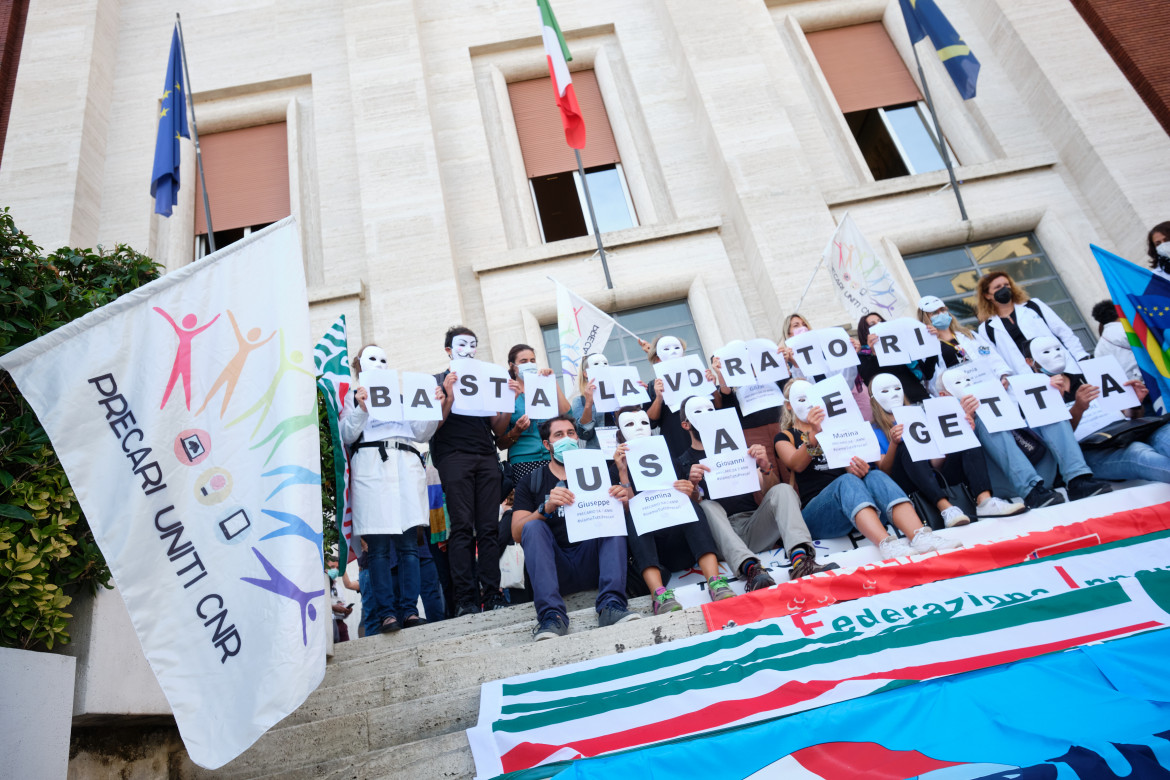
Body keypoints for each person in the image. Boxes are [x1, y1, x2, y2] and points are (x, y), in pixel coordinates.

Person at [774, 379, 959, 559]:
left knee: (874, 475)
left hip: (852, 505)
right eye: (801, 399)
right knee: (846, 482)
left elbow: (850, 467)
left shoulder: (835, 429)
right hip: (817, 513)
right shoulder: (784, 437)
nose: (809, 403)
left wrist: (858, 468)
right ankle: (887, 544)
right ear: (789, 406)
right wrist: (815, 433)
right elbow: (796, 463)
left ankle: (920, 536)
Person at [675, 395, 838, 584]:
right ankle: (751, 570)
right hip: (719, 537)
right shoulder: (682, 463)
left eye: (710, 410)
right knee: (708, 506)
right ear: (686, 425)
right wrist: (692, 486)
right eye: (698, 412)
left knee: (783, 490)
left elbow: (770, 490)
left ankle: (801, 561)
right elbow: (691, 518)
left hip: (753, 525)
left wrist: (765, 466)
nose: (706, 416)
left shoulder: (739, 449)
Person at [341, 344, 443, 632]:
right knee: (379, 548)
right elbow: (347, 435)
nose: (379, 364)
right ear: (359, 365)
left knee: (409, 544)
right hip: (371, 468)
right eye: (371, 359)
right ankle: (387, 613)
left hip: (406, 466)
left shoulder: (403, 397)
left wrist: (433, 408)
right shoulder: (350, 397)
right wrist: (361, 409)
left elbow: (422, 433)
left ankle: (409, 610)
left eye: (383, 359)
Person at [510, 414, 640, 640]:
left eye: (571, 433)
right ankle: (552, 616)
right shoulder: (531, 481)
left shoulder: (598, 469)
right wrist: (545, 508)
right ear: (546, 444)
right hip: (556, 568)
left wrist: (623, 494)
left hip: (595, 560)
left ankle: (611, 605)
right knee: (533, 527)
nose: (567, 438)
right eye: (558, 435)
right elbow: (517, 532)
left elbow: (628, 512)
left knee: (613, 515)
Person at [612, 405, 735, 615]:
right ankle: (659, 594)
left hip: (683, 542)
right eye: (630, 424)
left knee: (691, 506)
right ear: (620, 434)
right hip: (654, 554)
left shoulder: (672, 460)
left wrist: (691, 489)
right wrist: (622, 473)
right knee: (634, 515)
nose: (639, 428)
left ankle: (716, 582)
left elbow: (695, 498)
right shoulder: (612, 469)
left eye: (643, 422)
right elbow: (624, 512)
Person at [868, 373, 1025, 527]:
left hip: (933, 476)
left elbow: (934, 462)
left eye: (896, 388)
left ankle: (984, 501)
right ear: (874, 398)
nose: (893, 394)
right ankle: (946, 509)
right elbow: (884, 470)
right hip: (905, 484)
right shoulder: (873, 431)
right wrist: (895, 444)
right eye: (885, 391)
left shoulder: (921, 417)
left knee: (964, 436)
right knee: (906, 447)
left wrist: (960, 432)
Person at [431, 326, 511, 616]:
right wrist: (449, 397)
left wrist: (508, 404)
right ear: (449, 350)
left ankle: (492, 593)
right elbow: (429, 426)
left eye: (472, 344)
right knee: (462, 527)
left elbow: (498, 427)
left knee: (489, 528)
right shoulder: (436, 381)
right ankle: (465, 599)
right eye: (461, 345)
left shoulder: (486, 379)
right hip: (454, 458)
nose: (468, 349)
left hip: (486, 457)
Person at [1028, 336, 1170, 484]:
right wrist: (1078, 408)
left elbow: (1130, 416)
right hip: (1092, 450)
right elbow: (1056, 442)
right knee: (1139, 454)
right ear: (1030, 362)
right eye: (1046, 352)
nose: (1056, 354)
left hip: (1129, 432)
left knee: (1166, 436)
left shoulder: (1090, 375)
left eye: (1058, 349)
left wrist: (1135, 402)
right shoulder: (1033, 395)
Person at [976, 271, 1088, 378]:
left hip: (1062, 368)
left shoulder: (1033, 306)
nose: (1004, 289)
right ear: (987, 295)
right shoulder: (986, 328)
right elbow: (993, 357)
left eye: (1006, 284)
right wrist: (1003, 375)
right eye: (998, 287)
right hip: (1029, 377)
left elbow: (1063, 331)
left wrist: (1080, 356)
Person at [500, 344, 572, 482]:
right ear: (512, 366)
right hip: (524, 459)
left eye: (532, 361)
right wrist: (516, 430)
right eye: (524, 361)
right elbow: (500, 441)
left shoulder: (545, 387)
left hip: (554, 457)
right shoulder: (507, 393)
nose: (530, 364)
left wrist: (553, 381)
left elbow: (568, 414)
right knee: (530, 501)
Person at [644, 334, 721, 457]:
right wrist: (658, 398)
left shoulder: (700, 374)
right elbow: (650, 422)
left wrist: (713, 388)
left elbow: (719, 407)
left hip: (710, 439)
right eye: (667, 349)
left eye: (676, 348)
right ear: (658, 358)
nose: (673, 352)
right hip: (677, 444)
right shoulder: (654, 385)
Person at [856, 312, 935, 404]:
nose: (879, 325)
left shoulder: (902, 347)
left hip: (922, 399)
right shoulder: (863, 356)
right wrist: (874, 352)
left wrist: (932, 344)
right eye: (872, 324)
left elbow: (927, 374)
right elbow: (870, 381)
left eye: (881, 321)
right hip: (896, 407)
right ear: (865, 332)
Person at [1091, 300, 1141, 382]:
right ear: (1118, 311)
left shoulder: (1098, 348)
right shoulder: (1127, 331)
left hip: (1127, 386)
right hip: (1146, 380)